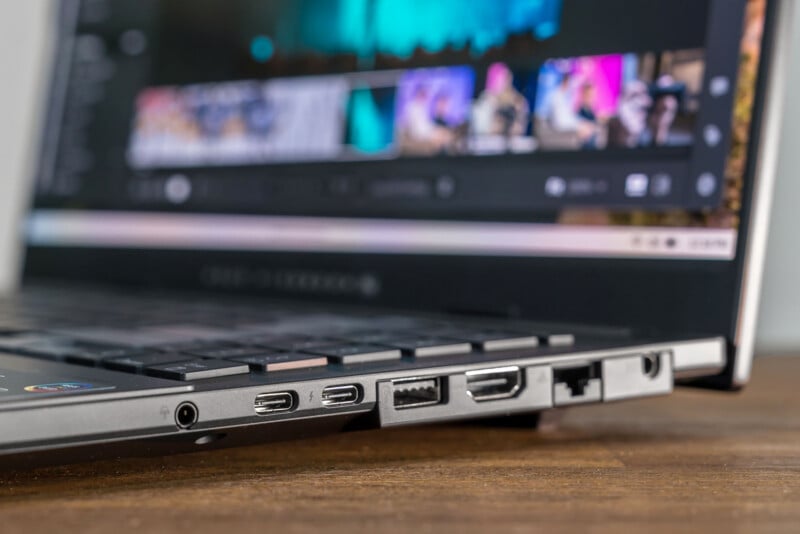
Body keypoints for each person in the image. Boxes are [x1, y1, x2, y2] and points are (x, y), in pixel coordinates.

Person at [472, 63, 529, 138]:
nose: (507, 83)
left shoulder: (518, 101)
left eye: (508, 79)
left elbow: (519, 129)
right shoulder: (486, 100)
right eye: (504, 79)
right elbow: (483, 129)